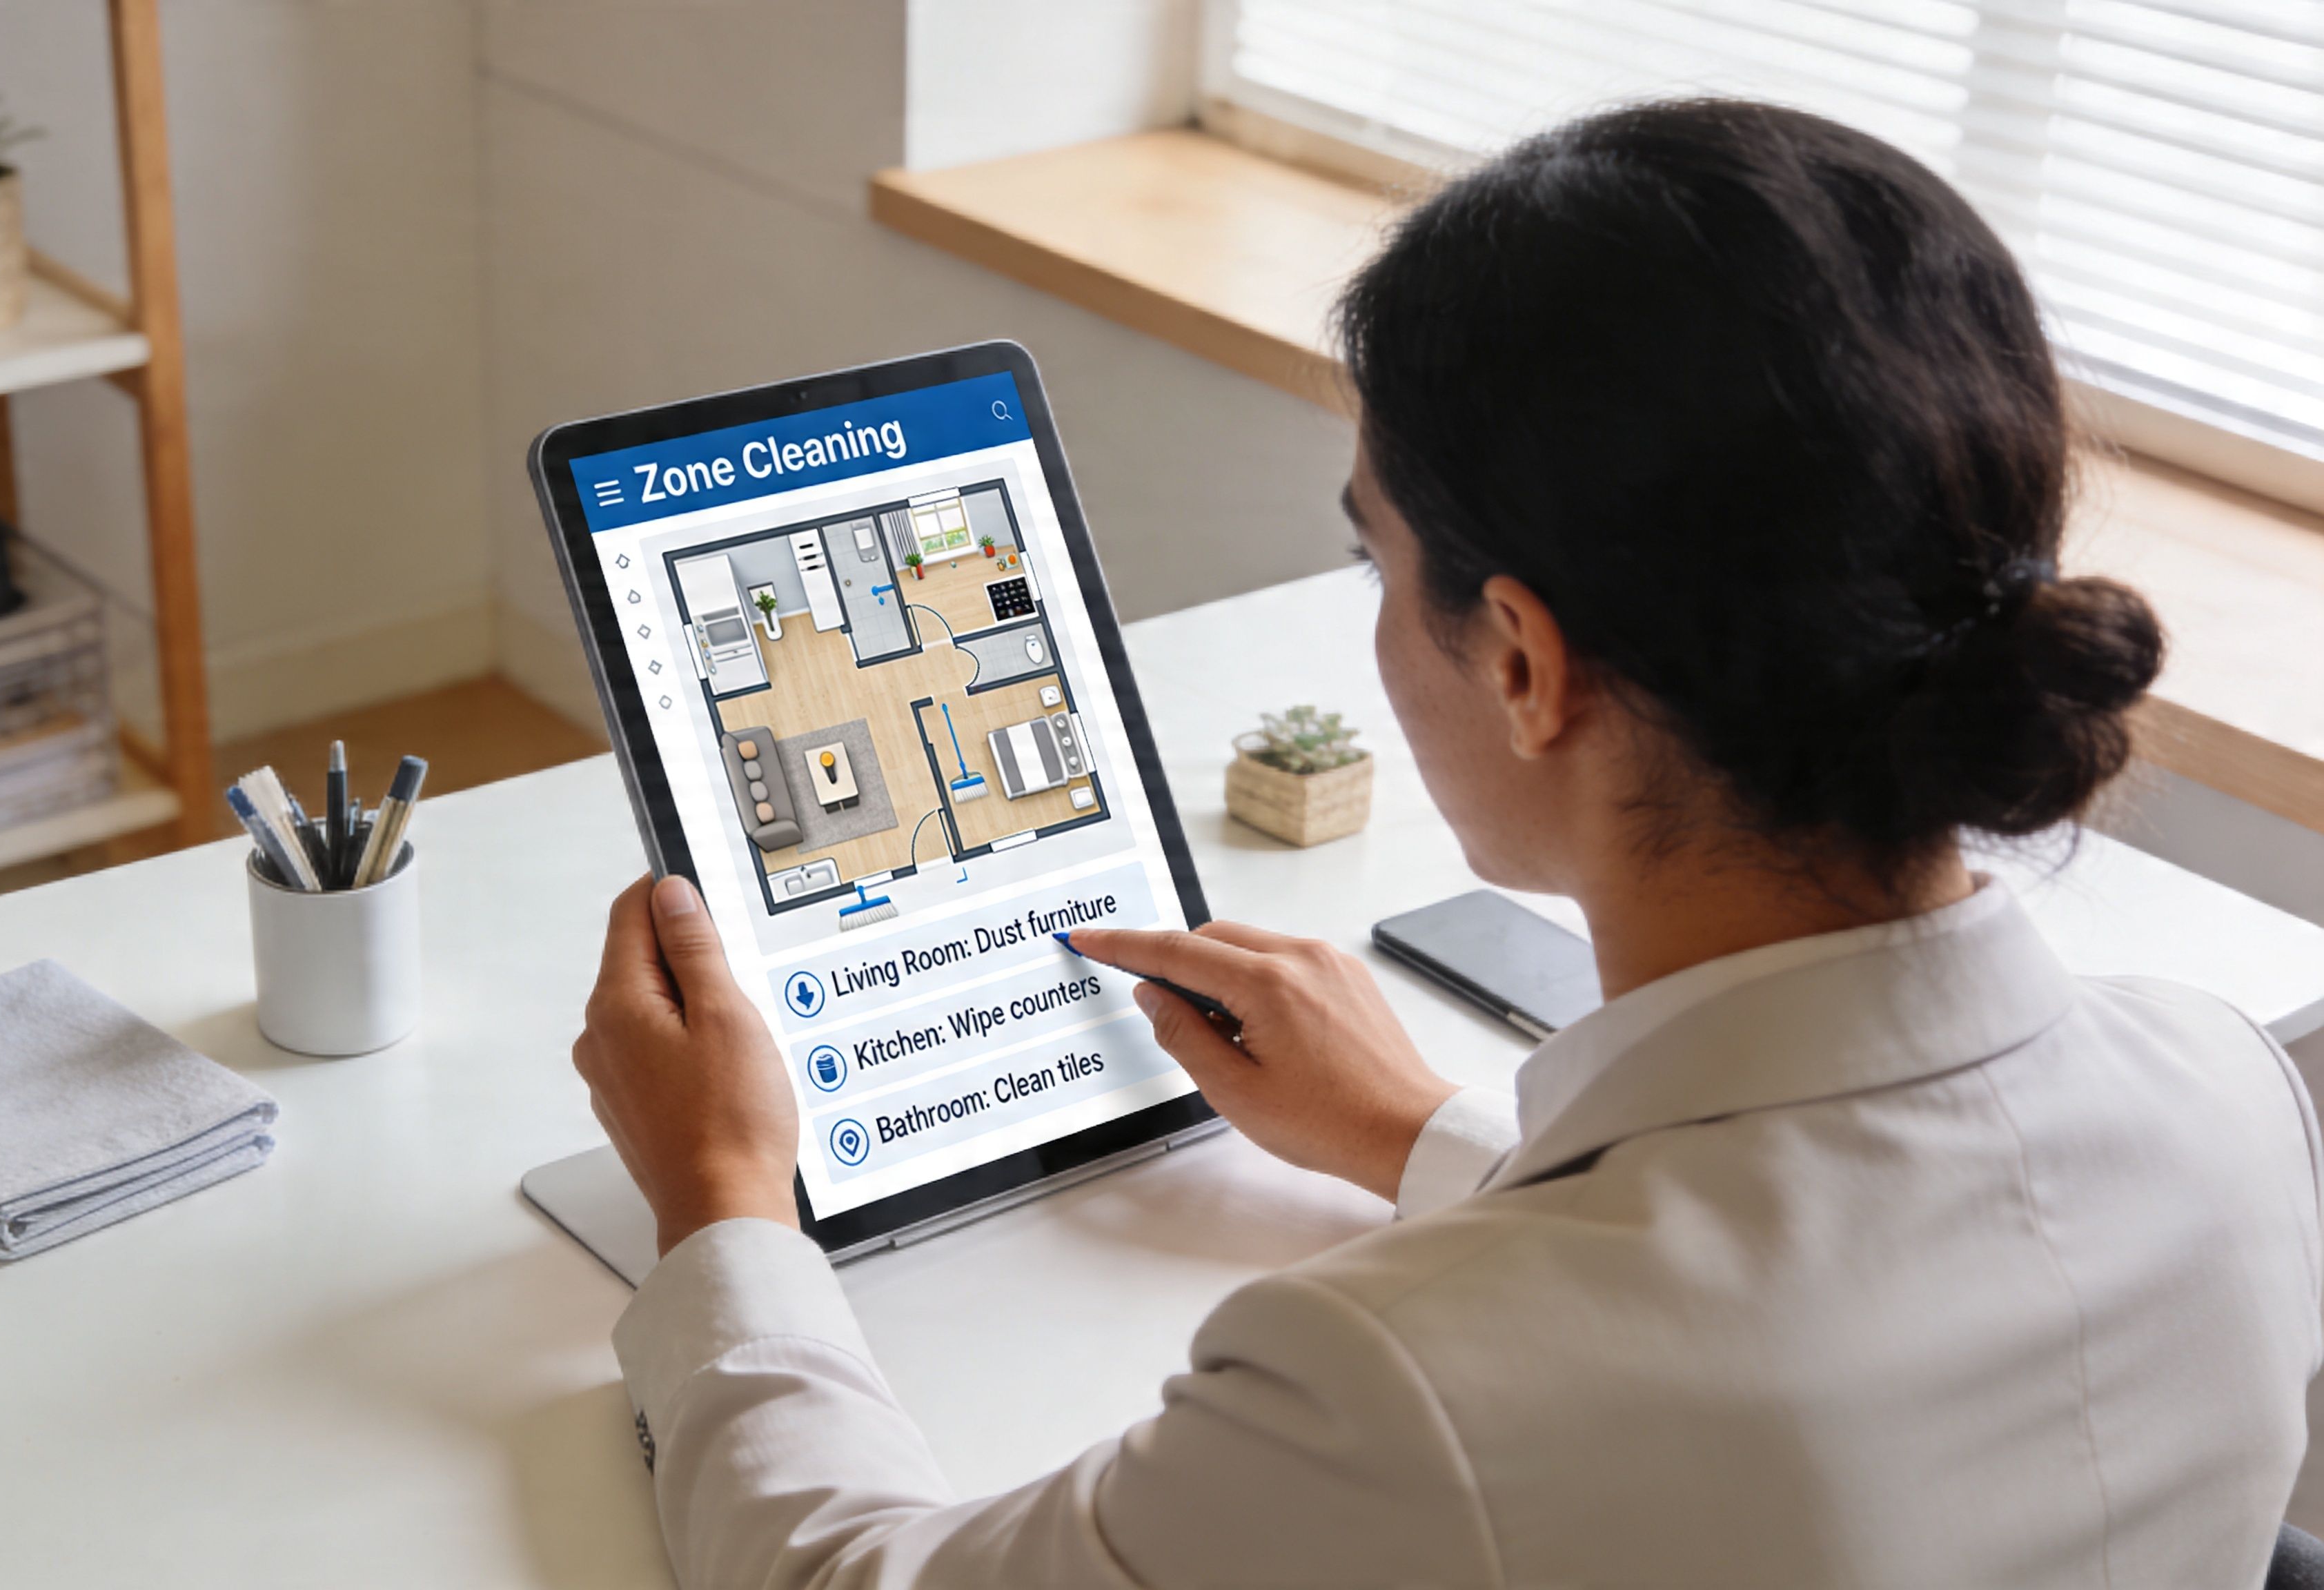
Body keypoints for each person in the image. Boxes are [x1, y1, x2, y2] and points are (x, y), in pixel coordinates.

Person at [569, 99, 2322, 1587]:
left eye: (1376, 559)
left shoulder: (1405, 1386)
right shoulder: (2225, 1089)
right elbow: (1818, 1257)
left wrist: (722, 1204)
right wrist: (1420, 1133)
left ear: (1522, 663)